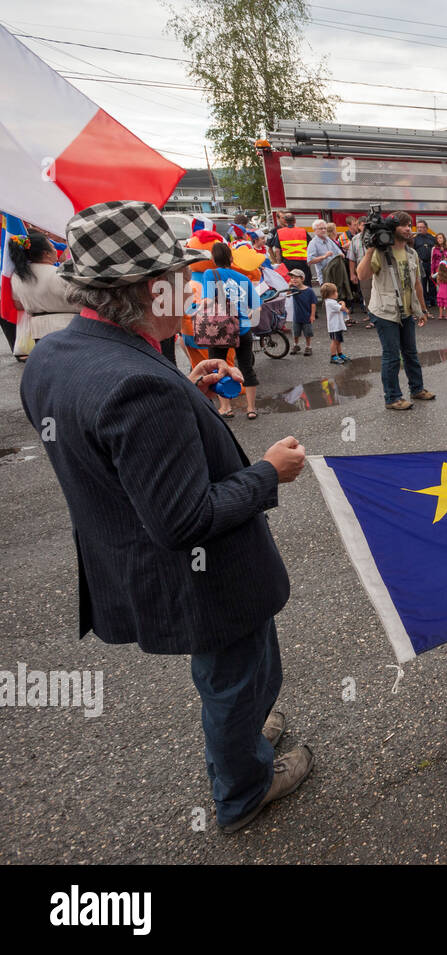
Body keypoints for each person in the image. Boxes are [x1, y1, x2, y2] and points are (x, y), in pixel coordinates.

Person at [20, 199, 313, 833]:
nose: (189, 288)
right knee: (234, 677)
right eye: (178, 278)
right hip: (202, 578)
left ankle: (246, 729)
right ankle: (244, 789)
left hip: (132, 560)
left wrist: (191, 396)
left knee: (244, 675)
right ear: (153, 290)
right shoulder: (137, 383)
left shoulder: (57, 355)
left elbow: (112, 448)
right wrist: (267, 473)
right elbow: (183, 519)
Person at [356, 210, 435, 410]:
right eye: (404, 225)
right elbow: (362, 275)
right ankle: (392, 398)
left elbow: (417, 282)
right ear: (393, 228)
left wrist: (422, 310)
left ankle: (417, 389)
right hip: (385, 311)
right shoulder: (380, 253)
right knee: (391, 356)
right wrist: (369, 251)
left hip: (407, 311)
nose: (409, 229)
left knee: (411, 353)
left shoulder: (411, 253)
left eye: (410, 225)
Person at [201, 242, 261, 420]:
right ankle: (251, 409)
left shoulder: (209, 273)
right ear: (231, 258)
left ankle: (226, 408)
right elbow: (256, 304)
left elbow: (208, 300)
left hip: (220, 329)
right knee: (246, 367)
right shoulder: (243, 278)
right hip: (242, 328)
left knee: (217, 367)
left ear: (213, 258)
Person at [7, 232, 78, 360]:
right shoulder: (60, 273)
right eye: (52, 247)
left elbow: (18, 305)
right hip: (69, 327)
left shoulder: (17, 276)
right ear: (46, 253)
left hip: (38, 332)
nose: (55, 251)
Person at [270, 212, 311, 286]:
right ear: (295, 221)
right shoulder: (303, 231)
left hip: (287, 263)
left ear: (285, 222)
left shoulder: (280, 232)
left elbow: (277, 250)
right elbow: (310, 245)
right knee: (305, 283)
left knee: (290, 283)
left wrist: (279, 263)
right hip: (302, 262)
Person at [286, 269, 317, 356]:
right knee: (295, 333)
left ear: (302, 279)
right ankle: (296, 345)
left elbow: (313, 303)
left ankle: (308, 346)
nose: (294, 279)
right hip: (296, 316)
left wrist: (312, 315)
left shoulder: (309, 291)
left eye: (296, 277)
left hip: (307, 316)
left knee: (307, 333)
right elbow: (287, 295)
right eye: (292, 278)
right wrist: (289, 286)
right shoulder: (293, 289)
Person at [321, 282, 349, 364]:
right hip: (334, 326)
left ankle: (340, 354)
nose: (337, 293)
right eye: (336, 292)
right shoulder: (330, 303)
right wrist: (343, 303)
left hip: (337, 325)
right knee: (335, 341)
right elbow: (343, 308)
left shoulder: (332, 302)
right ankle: (333, 356)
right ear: (331, 294)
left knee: (338, 341)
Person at [412, 221, 437, 307]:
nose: (419, 229)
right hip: (421, 264)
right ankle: (426, 301)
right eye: (418, 227)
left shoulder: (432, 238)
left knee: (432, 282)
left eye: (421, 227)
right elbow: (412, 251)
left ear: (426, 228)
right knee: (422, 283)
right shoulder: (415, 239)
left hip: (431, 263)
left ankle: (433, 300)